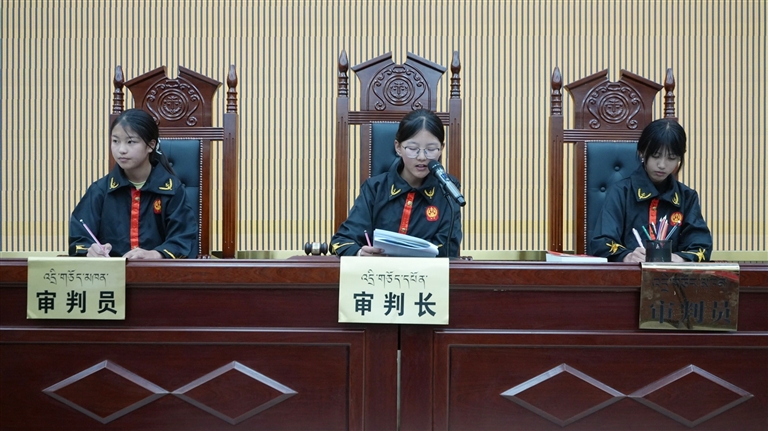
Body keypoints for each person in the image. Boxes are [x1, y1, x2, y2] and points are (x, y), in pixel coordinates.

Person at [330, 109, 463, 257]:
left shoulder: (448, 190)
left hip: (427, 271)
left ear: (441, 149)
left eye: (431, 149)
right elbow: (343, 240)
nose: (421, 157)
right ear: (398, 147)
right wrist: (359, 253)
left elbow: (449, 249)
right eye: (412, 148)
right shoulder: (374, 189)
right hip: (377, 270)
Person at [69, 109, 198, 259]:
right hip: (111, 273)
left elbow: (183, 237)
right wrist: (90, 251)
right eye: (115, 141)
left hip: (159, 271)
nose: (121, 150)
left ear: (150, 145)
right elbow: (79, 238)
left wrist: (155, 254)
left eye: (131, 142)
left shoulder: (172, 190)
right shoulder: (100, 190)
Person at [589, 119, 712, 262]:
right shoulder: (620, 192)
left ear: (679, 157)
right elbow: (601, 242)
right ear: (642, 151)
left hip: (672, 275)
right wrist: (627, 256)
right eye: (655, 155)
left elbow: (701, 246)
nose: (662, 165)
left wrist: (680, 259)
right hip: (629, 273)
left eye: (671, 158)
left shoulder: (687, 197)